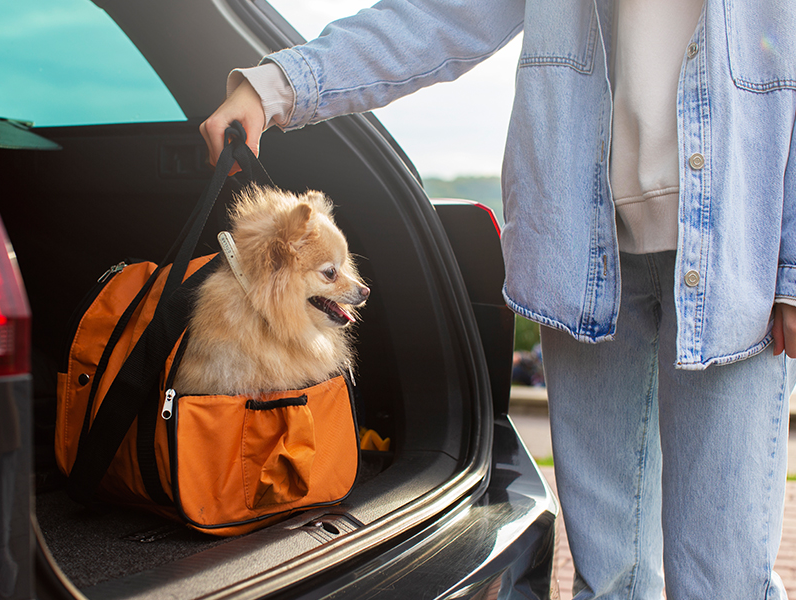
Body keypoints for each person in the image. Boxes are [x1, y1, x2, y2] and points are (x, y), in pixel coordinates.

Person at [200, 1, 796, 598]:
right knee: (607, 581)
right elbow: (438, 16)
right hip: (584, 257)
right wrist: (274, 88)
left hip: (734, 260)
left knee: (725, 585)